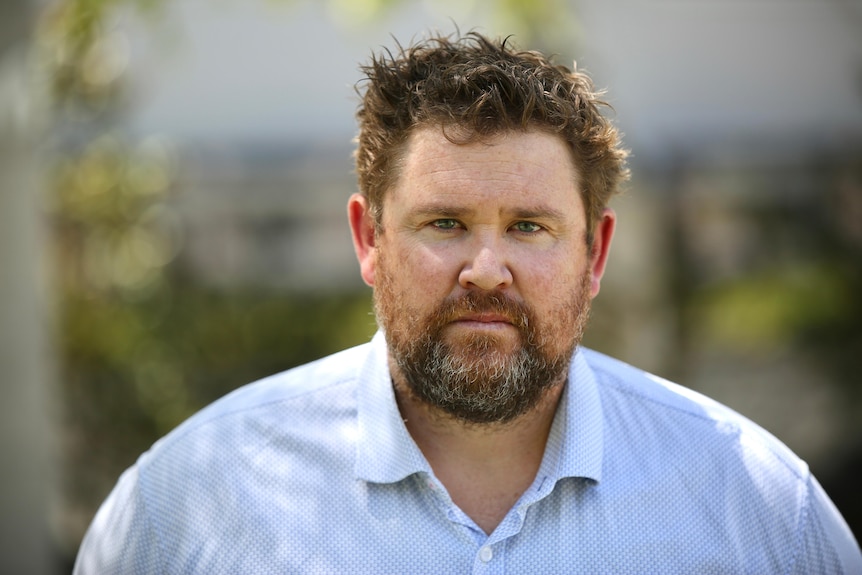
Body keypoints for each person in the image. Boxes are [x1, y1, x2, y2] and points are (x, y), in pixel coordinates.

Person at [74, 31, 861, 574]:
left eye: (529, 226)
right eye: (444, 222)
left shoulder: (758, 509)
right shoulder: (184, 503)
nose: (486, 268)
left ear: (596, 254)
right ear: (368, 239)